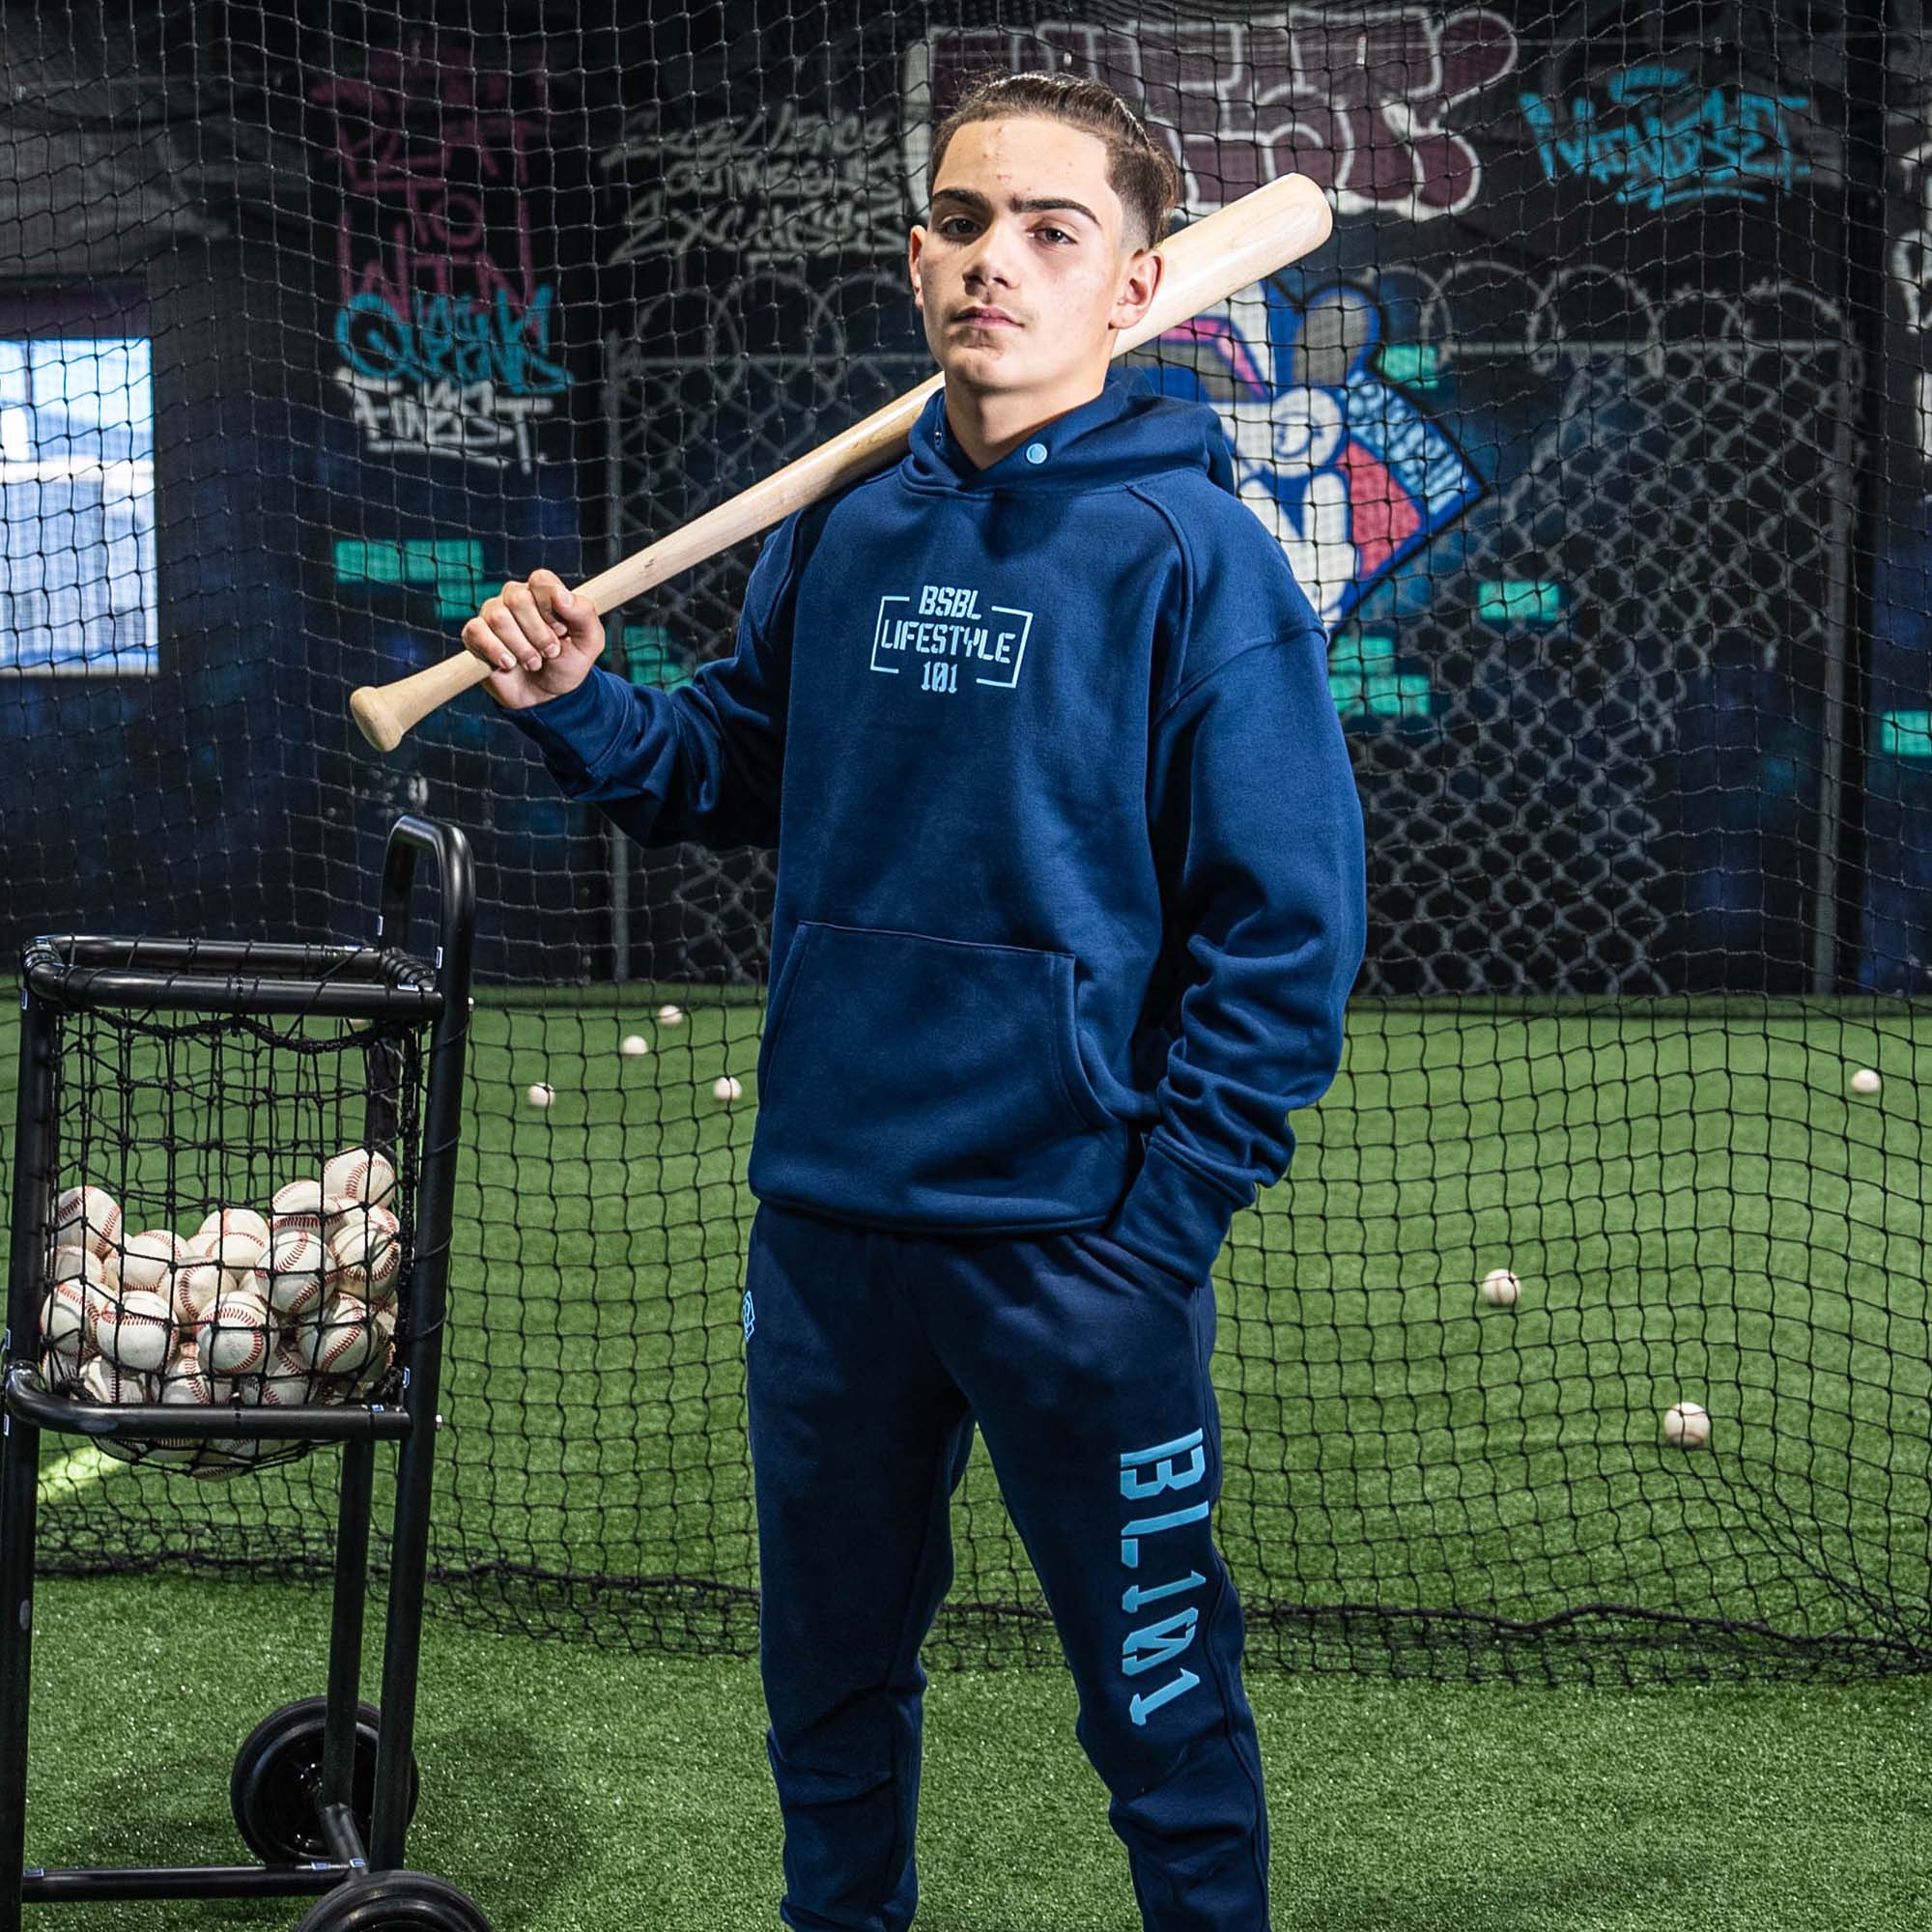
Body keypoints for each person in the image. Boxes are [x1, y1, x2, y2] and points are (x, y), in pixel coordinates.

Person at [463, 68, 1367, 1932]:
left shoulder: (1197, 560)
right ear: (915, 256)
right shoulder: (845, 529)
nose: (993, 263)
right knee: (830, 1695)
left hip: (1073, 1251)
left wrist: (1157, 1231)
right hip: (830, 1230)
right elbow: (725, 764)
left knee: (1161, 1705)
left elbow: (1284, 939)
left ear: (1135, 288)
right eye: (962, 222)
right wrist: (579, 703)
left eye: (1052, 230)